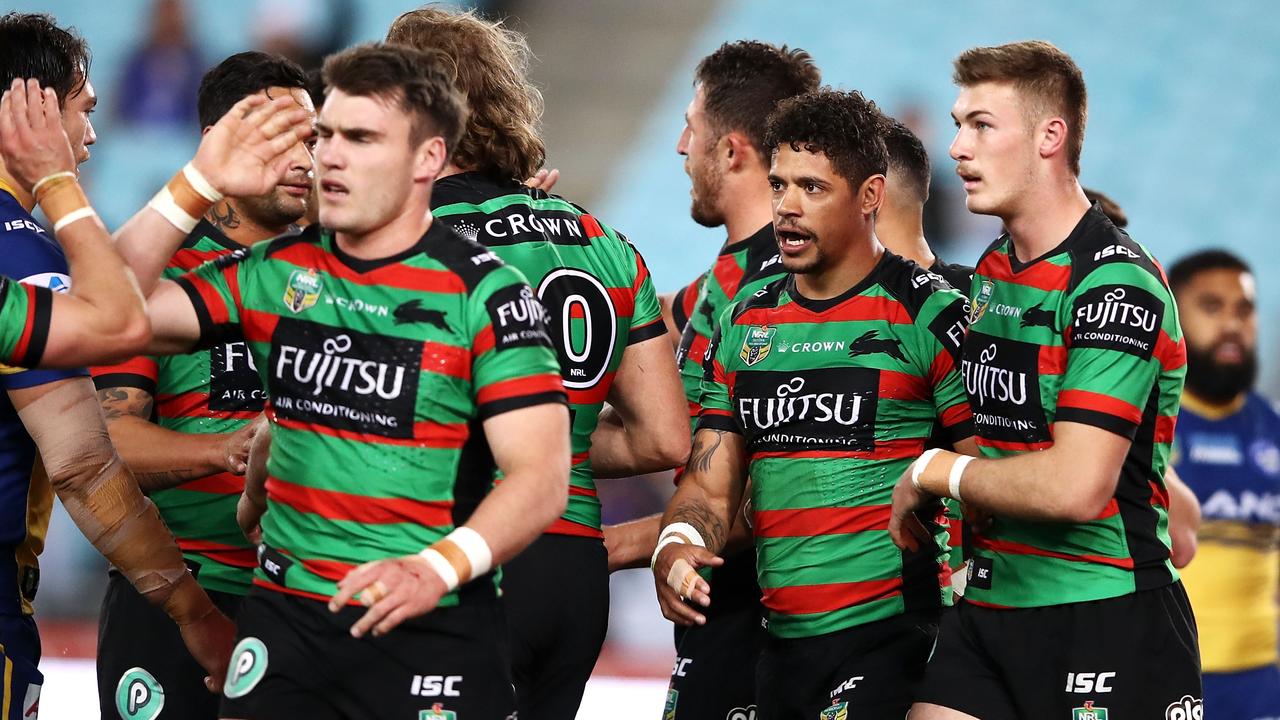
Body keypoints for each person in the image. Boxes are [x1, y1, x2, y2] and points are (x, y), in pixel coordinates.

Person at [125, 43, 566, 719]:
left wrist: (436, 568)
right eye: (324, 135)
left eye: (359, 138)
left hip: (430, 626)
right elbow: (113, 312)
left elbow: (540, 478)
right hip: (285, 625)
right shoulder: (274, 271)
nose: (326, 156)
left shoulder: (489, 294)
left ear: (429, 159)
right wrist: (197, 180)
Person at [0, 12, 321, 713]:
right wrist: (191, 608)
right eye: (84, 112)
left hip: (293, 594)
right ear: (31, 113)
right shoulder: (24, 254)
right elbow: (90, 448)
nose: (91, 138)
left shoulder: (341, 268)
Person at [384, 9, 688, 718]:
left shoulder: (409, 245)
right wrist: (563, 443)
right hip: (574, 575)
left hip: (461, 554)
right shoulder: (601, 237)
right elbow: (664, 438)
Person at [890, 40, 1200, 719]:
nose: (957, 148)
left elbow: (1076, 487)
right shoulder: (997, 269)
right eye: (956, 124)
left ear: (1049, 137)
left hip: (1104, 618)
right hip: (990, 610)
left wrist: (933, 473)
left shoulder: (1115, 283)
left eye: (981, 125)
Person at [653, 89, 975, 718]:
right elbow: (709, 484)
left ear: (870, 197)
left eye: (813, 188)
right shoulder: (748, 319)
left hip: (892, 638)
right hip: (779, 646)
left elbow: (988, 466)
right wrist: (678, 541)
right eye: (779, 185)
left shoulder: (929, 312)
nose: (787, 208)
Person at [599, 40, 819, 720]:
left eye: (690, 125)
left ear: (730, 150)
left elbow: (786, 491)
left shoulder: (793, 291)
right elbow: (623, 355)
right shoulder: (714, 289)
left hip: (774, 618)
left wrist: (608, 548)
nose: (676, 146)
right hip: (715, 607)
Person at [92, 51, 314, 720]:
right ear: (222, 142)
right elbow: (108, 444)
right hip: (171, 596)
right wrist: (224, 453)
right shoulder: (164, 271)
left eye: (314, 137)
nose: (305, 157)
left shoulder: (344, 267)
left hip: (303, 601)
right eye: (282, 138)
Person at [1167, 249, 1279, 720]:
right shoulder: (1144, 423)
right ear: (1172, 314)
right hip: (1170, 672)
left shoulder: (1271, 428)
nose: (1232, 324)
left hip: (1261, 682)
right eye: (1212, 307)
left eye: (1244, 309)